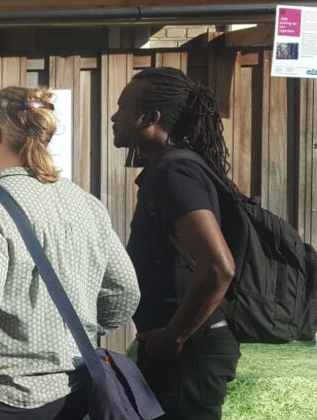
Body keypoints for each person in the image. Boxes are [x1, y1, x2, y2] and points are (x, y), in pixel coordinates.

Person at [0, 86, 140, 419]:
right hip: (78, 392)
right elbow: (125, 293)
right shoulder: (85, 202)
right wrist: (71, 330)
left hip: (10, 396)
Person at [111, 67, 240, 419]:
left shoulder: (175, 173)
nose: (114, 116)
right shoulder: (173, 170)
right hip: (181, 349)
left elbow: (219, 267)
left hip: (189, 355)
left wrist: (175, 336)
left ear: (149, 118)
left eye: (123, 107)